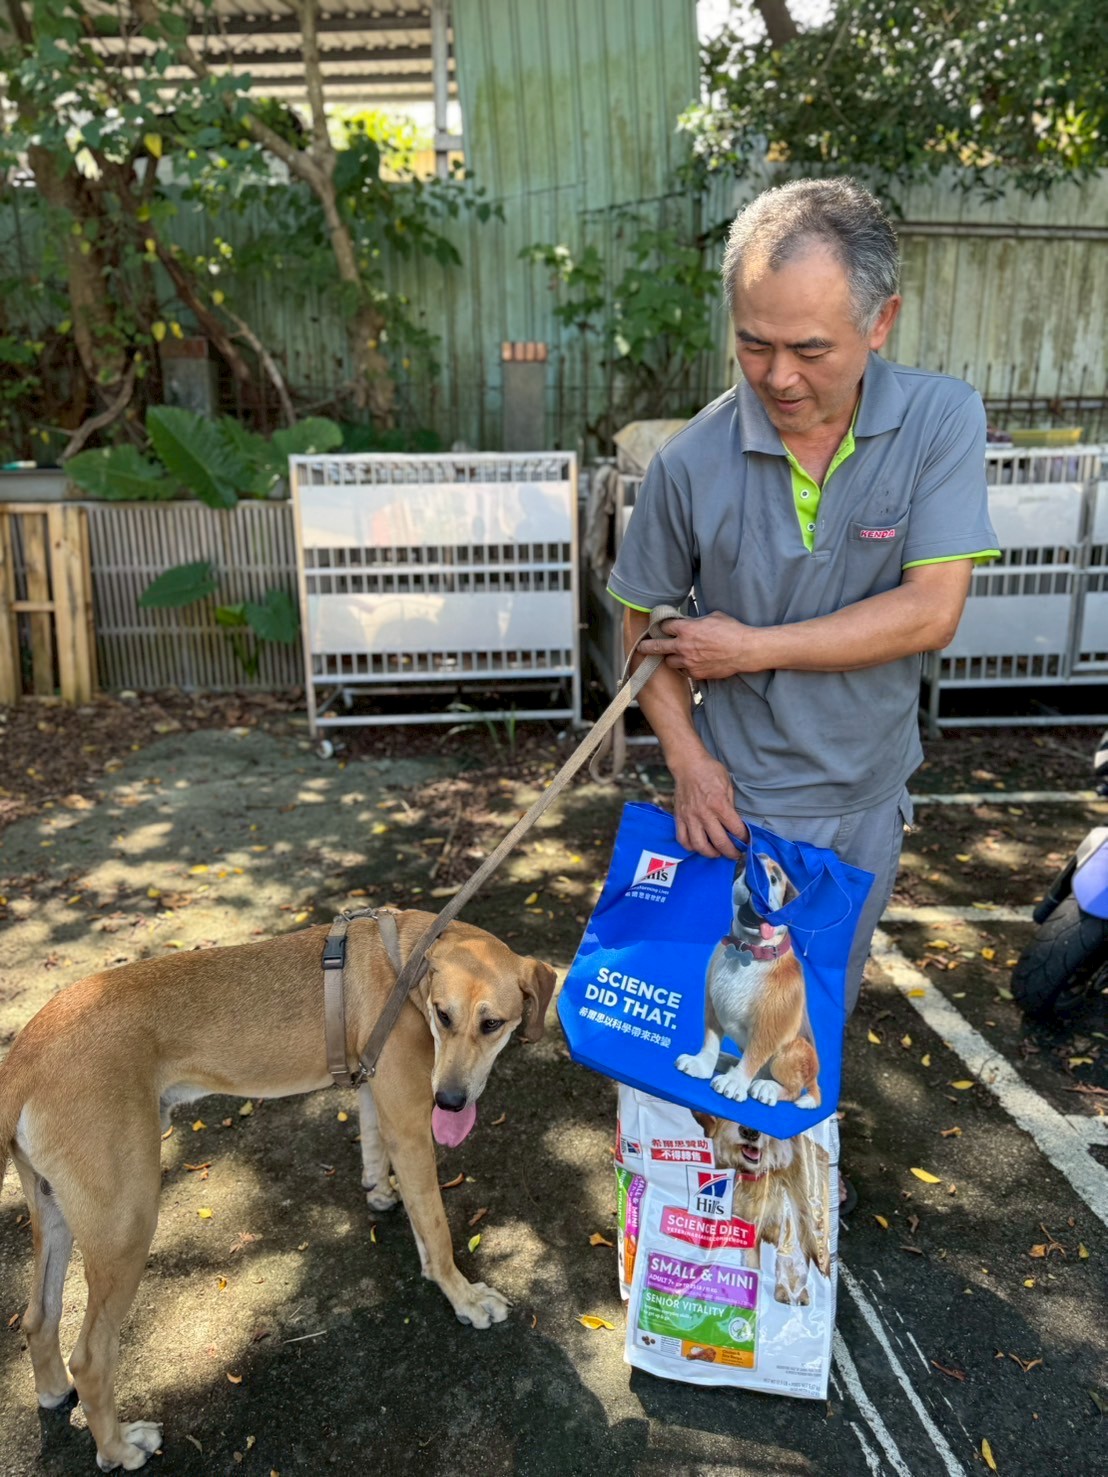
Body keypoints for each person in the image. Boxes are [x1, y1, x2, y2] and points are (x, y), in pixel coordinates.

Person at [607, 177, 999, 1027]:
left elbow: (931, 610)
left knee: (817, 1011)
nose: (778, 377)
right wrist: (687, 760)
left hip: (865, 796)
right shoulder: (690, 462)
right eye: (754, 344)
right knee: (711, 1014)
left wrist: (750, 648)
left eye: (810, 349)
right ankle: (704, 1168)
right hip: (733, 805)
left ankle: (801, 1164)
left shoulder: (940, 420)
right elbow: (641, 621)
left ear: (880, 321)